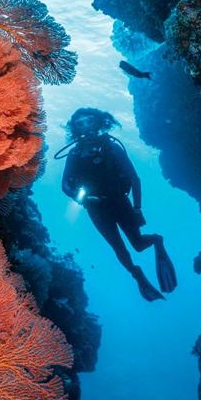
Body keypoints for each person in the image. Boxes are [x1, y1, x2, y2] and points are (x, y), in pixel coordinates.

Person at [59, 107, 177, 301]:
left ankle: (157, 241)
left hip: (120, 203)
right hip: (96, 210)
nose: (86, 126)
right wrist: (83, 199)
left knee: (138, 245)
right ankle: (137, 275)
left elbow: (134, 178)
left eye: (89, 121)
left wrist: (138, 208)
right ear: (76, 129)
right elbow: (65, 185)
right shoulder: (74, 154)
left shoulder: (112, 147)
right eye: (80, 124)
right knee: (118, 248)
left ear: (98, 122)